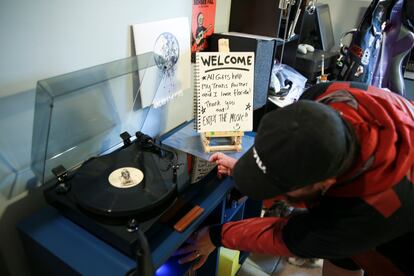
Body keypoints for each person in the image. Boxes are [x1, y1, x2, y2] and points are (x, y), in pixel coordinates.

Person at [176, 81, 414, 275]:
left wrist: (216, 236)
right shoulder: (323, 94)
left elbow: (285, 235)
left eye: (283, 189)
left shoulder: (359, 216)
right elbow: (288, 142)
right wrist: (250, 168)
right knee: (339, 252)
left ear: (325, 184)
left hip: (401, 226)